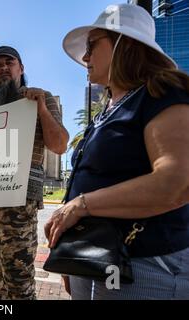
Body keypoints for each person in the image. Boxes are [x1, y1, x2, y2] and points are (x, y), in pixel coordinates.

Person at [45, 3, 189, 299]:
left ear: (124, 44)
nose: (85, 57)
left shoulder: (162, 93)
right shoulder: (105, 112)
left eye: (91, 45)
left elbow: (176, 182)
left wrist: (79, 206)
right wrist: (73, 253)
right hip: (93, 259)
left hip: (145, 265)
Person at [0, 46, 69, 299]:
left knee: (19, 282)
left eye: (9, 62)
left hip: (19, 200)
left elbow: (59, 145)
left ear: (21, 68)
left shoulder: (40, 98)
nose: (3, 67)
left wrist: (42, 110)